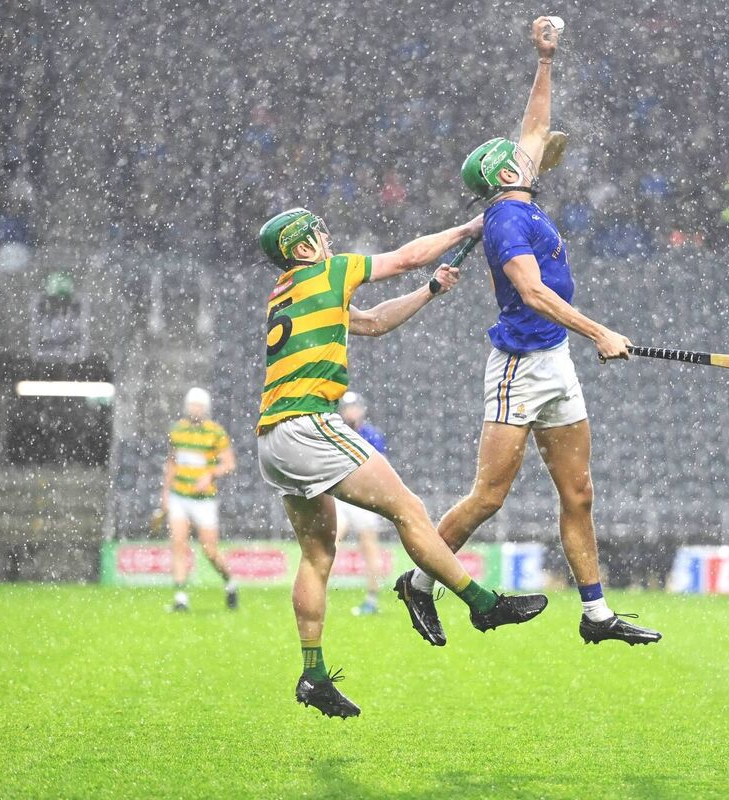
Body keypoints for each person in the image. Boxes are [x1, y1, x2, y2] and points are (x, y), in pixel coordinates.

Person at [394, 18, 661, 648]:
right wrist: (600, 331)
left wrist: (545, 58)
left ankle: (597, 616)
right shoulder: (506, 222)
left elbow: (536, 127)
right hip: (518, 366)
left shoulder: (518, 196)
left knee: (579, 491)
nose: (528, 154)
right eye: (515, 158)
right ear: (502, 175)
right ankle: (419, 581)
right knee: (488, 497)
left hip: (555, 362)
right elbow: (535, 294)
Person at [255, 207, 548, 720]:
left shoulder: (287, 294)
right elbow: (404, 258)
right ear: (303, 249)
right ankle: (483, 605)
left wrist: (430, 290)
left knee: (319, 554)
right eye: (319, 234)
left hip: (273, 438)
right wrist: (467, 227)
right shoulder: (326, 271)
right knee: (408, 508)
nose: (328, 237)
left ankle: (313, 673)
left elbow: (372, 322)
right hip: (310, 423)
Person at [160, 387, 237, 612]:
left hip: (204, 500)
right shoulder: (177, 431)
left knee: (209, 550)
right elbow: (172, 463)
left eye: (199, 405)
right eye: (192, 405)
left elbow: (229, 464)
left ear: (206, 408)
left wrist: (210, 474)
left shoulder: (216, 433)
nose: (195, 409)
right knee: (178, 544)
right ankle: (181, 598)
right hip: (179, 496)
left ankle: (230, 583)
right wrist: (165, 493)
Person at [334, 391, 389, 616]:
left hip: (365, 500)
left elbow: (380, 469)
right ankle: (319, 594)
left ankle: (372, 599)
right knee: (330, 540)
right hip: (341, 497)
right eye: (347, 408)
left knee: (369, 548)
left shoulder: (371, 436)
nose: (351, 412)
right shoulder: (336, 434)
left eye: (354, 407)